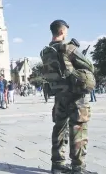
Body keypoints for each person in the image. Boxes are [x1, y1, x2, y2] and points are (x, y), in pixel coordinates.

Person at [40, 20, 97, 174]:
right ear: (62, 32)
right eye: (66, 31)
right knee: (78, 129)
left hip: (59, 96)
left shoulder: (46, 51)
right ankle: (78, 167)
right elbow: (89, 66)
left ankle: (57, 164)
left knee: (59, 128)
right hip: (75, 97)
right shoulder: (68, 48)